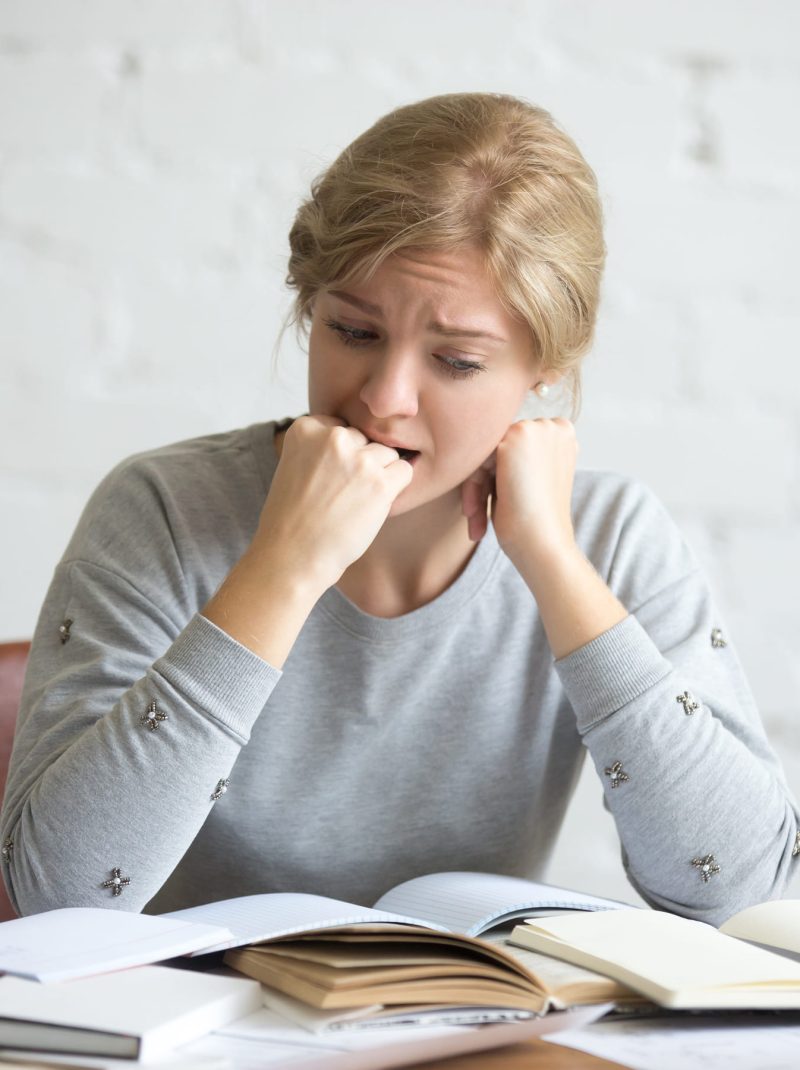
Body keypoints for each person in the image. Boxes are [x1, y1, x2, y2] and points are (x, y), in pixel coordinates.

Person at [2, 93, 798, 926]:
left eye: (455, 361)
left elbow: (737, 885)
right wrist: (282, 567)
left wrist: (557, 570)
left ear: (547, 365)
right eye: (352, 332)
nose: (383, 400)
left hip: (472, 1040)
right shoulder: (164, 509)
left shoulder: (612, 539)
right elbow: (58, 892)